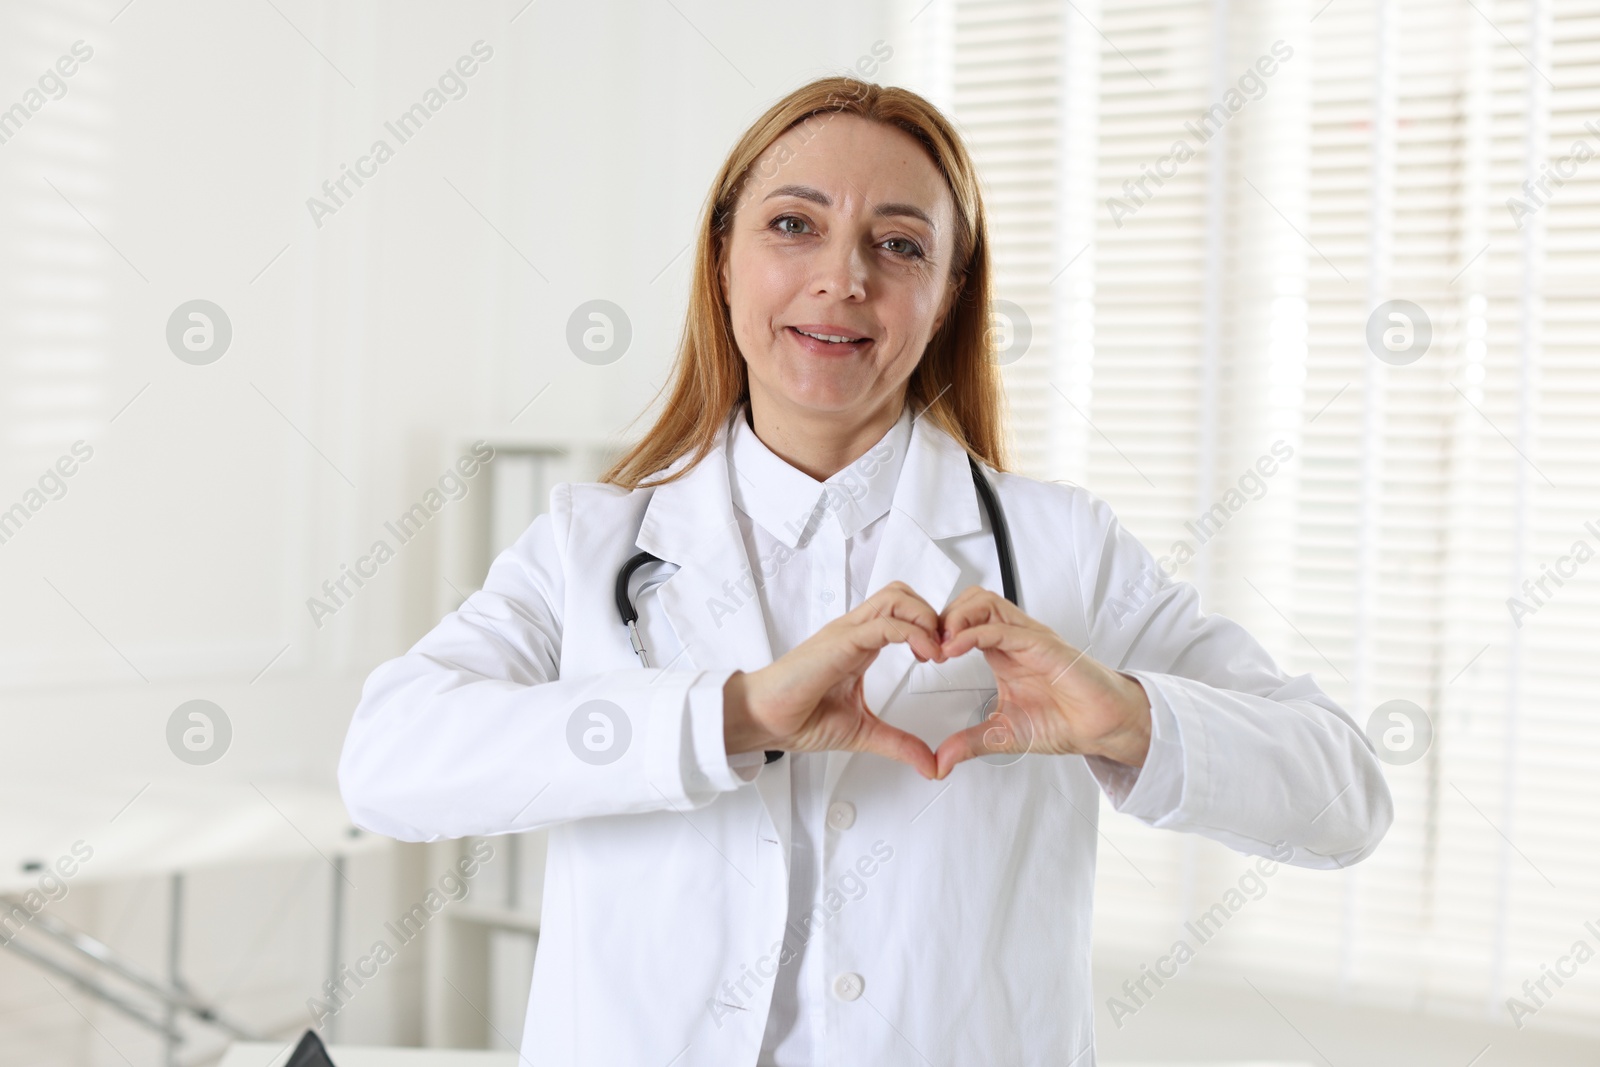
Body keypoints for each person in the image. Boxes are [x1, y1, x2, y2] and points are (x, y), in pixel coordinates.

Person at [338, 75, 1393, 1066]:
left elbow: (1346, 798)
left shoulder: (1062, 551)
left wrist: (1124, 716)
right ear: (721, 258)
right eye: (793, 224)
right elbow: (387, 761)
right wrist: (732, 714)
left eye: (898, 244)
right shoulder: (594, 543)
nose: (842, 278)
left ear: (945, 293)